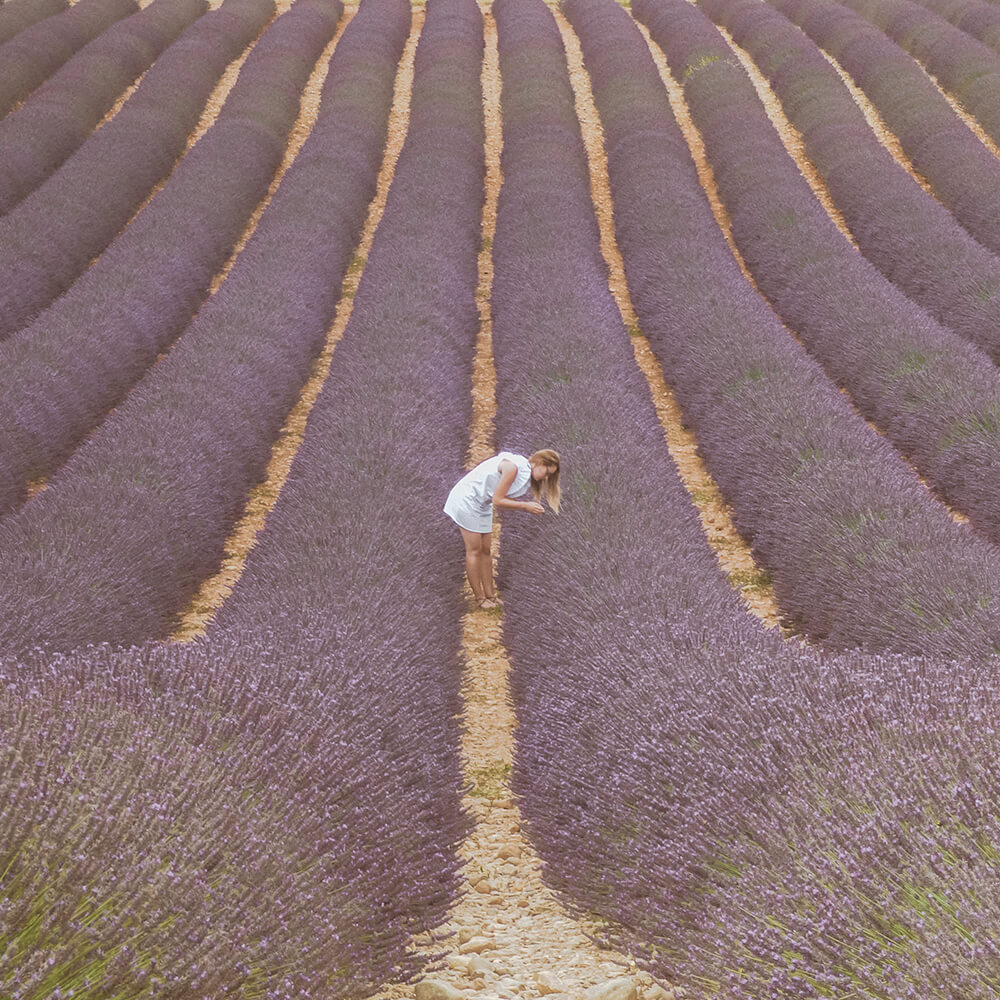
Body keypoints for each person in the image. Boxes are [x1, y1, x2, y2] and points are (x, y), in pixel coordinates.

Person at [443, 449, 561, 609]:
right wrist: (525, 506)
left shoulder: (523, 470)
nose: (546, 478)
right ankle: (479, 599)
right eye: (546, 472)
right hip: (467, 500)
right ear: (539, 463)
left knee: (486, 550)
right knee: (474, 551)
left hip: (482, 503)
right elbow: (498, 500)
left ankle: (490, 595)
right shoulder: (513, 468)